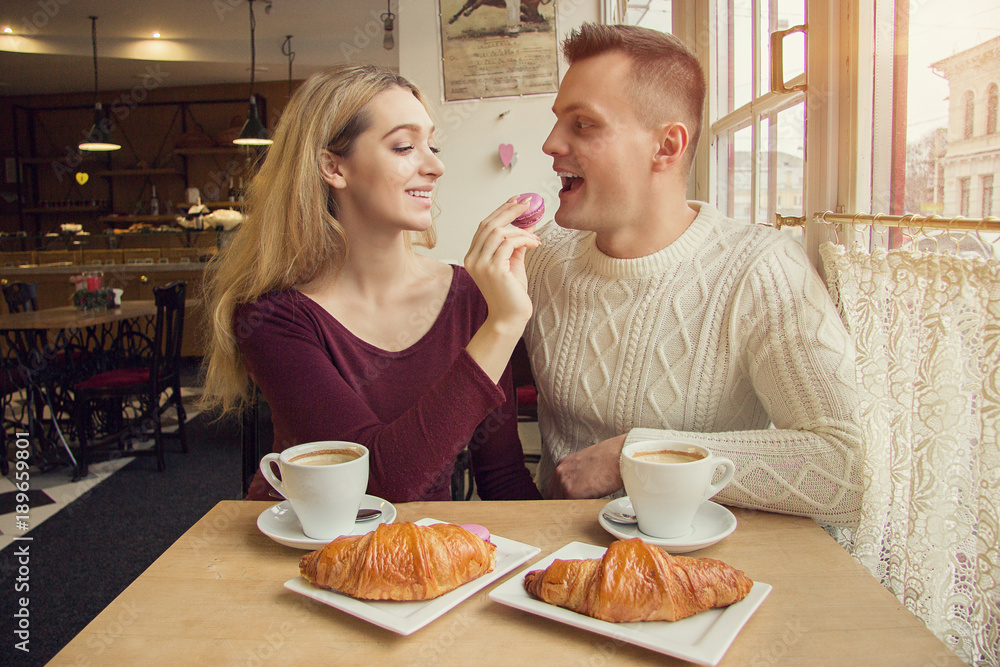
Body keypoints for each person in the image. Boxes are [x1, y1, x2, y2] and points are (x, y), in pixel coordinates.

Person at [524, 24, 864, 527]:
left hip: (700, 566)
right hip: (555, 560)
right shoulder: (541, 260)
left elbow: (846, 471)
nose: (551, 144)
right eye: (558, 122)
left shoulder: (761, 268)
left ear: (666, 146)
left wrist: (634, 456)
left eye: (583, 124)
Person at [201, 65, 542, 503]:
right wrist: (504, 325)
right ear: (333, 167)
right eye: (404, 147)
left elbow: (503, 479)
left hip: (418, 558)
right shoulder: (272, 316)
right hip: (300, 555)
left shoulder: (471, 298)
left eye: (432, 145)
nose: (436, 166)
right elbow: (377, 485)